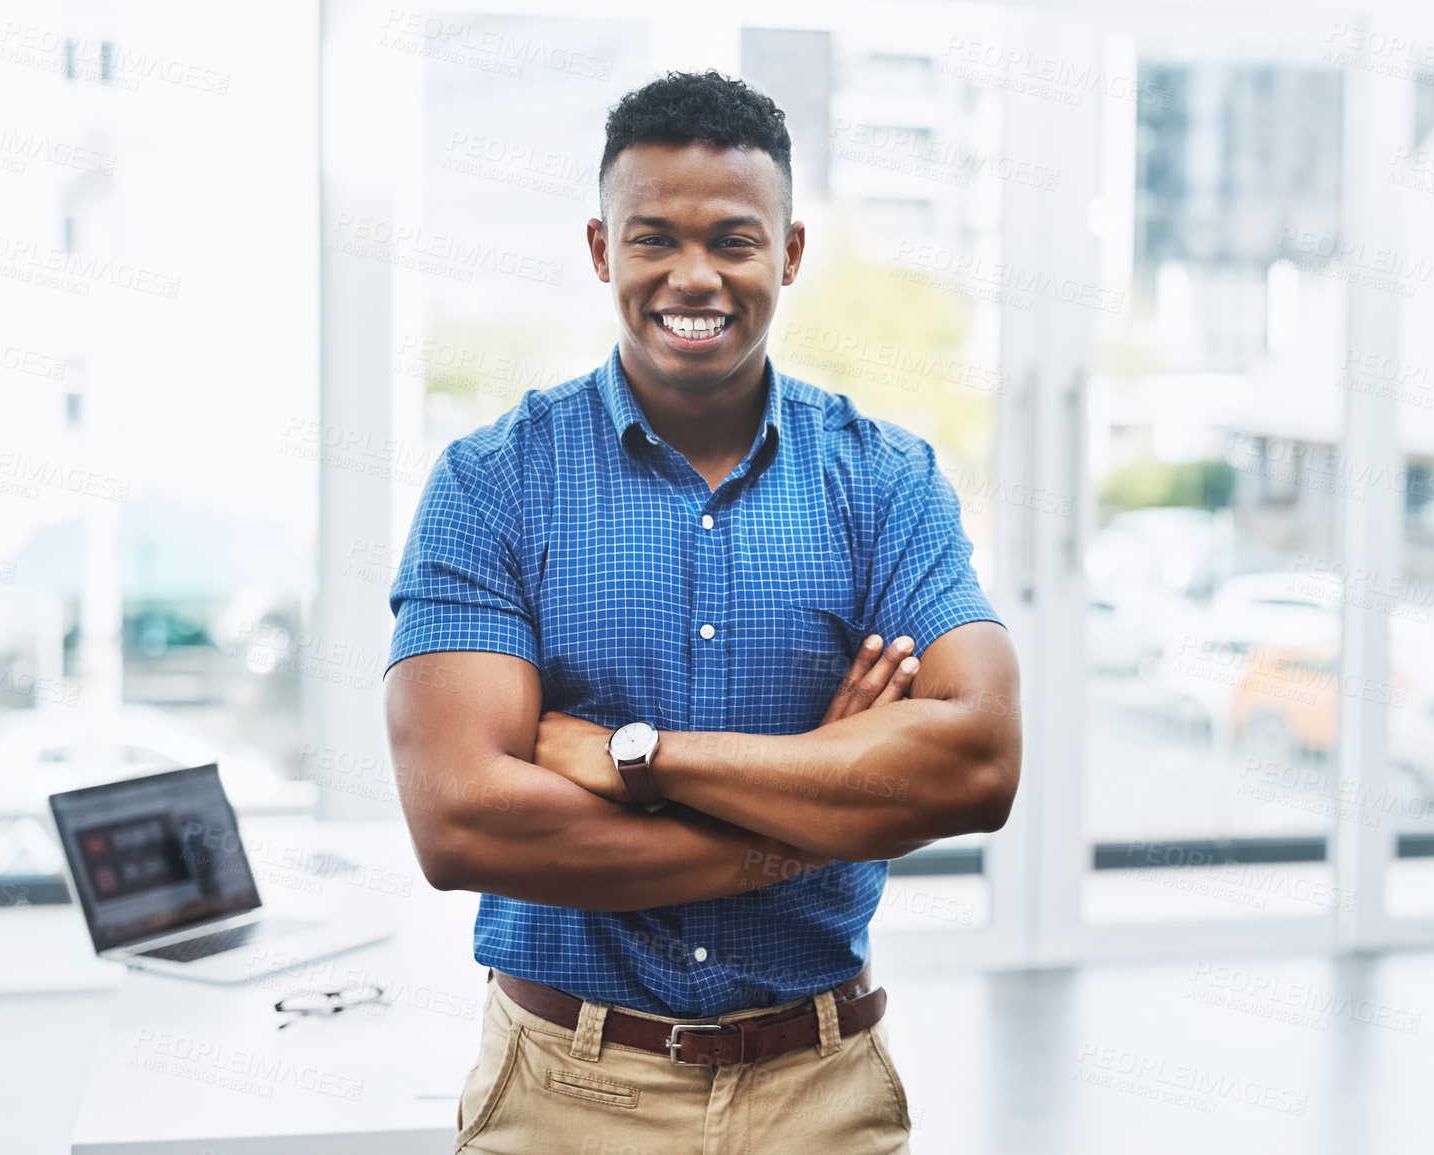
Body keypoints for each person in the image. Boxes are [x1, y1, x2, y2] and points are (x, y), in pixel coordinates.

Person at [383, 68, 1021, 1155]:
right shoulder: (493, 483)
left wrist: (640, 757)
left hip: (823, 1090)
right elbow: (462, 822)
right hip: (564, 1096)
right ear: (601, 251)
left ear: (790, 253)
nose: (695, 277)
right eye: (653, 240)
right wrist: (815, 808)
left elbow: (975, 764)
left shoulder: (885, 481)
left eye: (733, 240)